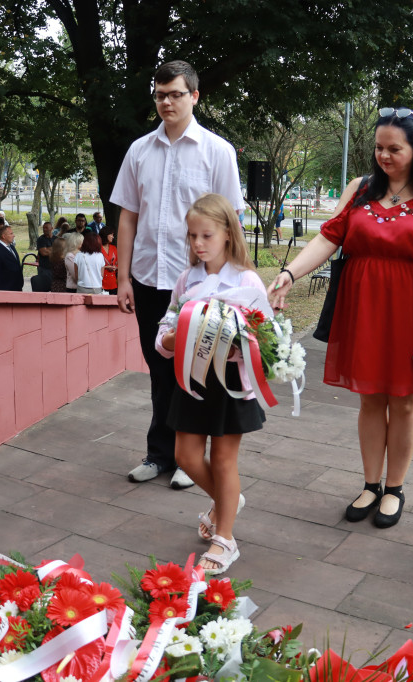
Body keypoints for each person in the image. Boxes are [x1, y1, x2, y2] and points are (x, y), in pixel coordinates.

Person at [269, 106, 413, 529]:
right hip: (365, 309)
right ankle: (370, 484)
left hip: (412, 311)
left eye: (395, 149)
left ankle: (395, 488)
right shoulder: (359, 189)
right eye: (379, 147)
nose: (384, 156)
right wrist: (288, 274)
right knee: (370, 398)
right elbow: (328, 237)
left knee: (404, 400)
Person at [111, 59, 245, 489]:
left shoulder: (217, 151)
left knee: (199, 369)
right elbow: (128, 216)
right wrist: (124, 278)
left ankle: (193, 457)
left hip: (199, 283)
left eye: (176, 94)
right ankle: (160, 454)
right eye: (160, 95)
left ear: (195, 96)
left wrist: (233, 281)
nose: (167, 102)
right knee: (159, 367)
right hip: (150, 279)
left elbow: (232, 221)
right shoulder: (139, 151)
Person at [156, 193, 269, 574]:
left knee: (223, 460)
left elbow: (263, 338)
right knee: (186, 457)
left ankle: (224, 541)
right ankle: (227, 501)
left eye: (206, 235)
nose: (198, 244)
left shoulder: (247, 280)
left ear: (227, 233)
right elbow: (166, 328)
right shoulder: (187, 279)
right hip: (192, 381)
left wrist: (233, 341)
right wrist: (170, 340)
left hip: (230, 385)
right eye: (192, 236)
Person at [0, 224, 24, 291]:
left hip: (16, 288)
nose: (14, 235)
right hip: (5, 290)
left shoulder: (11, 247)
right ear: (4, 236)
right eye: (11, 233)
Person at [100, 226, 118, 295]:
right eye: (111, 234)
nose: (113, 237)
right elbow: (94, 265)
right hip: (101, 282)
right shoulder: (98, 248)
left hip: (113, 282)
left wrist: (115, 267)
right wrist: (107, 267)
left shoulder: (114, 248)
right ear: (105, 234)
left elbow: (118, 264)